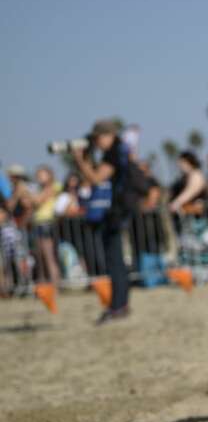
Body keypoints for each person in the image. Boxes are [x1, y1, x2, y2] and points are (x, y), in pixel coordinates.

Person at [72, 119, 133, 324]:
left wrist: (80, 161)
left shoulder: (114, 153)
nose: (97, 142)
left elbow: (96, 179)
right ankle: (120, 305)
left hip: (114, 212)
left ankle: (117, 306)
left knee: (114, 261)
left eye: (98, 138)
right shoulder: (118, 151)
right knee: (116, 260)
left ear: (108, 135)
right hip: (115, 210)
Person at [30, 165, 62, 285]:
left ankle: (55, 284)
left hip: (47, 223)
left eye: (42, 174)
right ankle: (44, 285)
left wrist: (28, 195)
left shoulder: (54, 186)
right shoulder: (39, 189)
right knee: (40, 257)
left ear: (49, 175)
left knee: (49, 257)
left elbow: (37, 201)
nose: (38, 177)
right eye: (38, 175)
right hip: (38, 224)